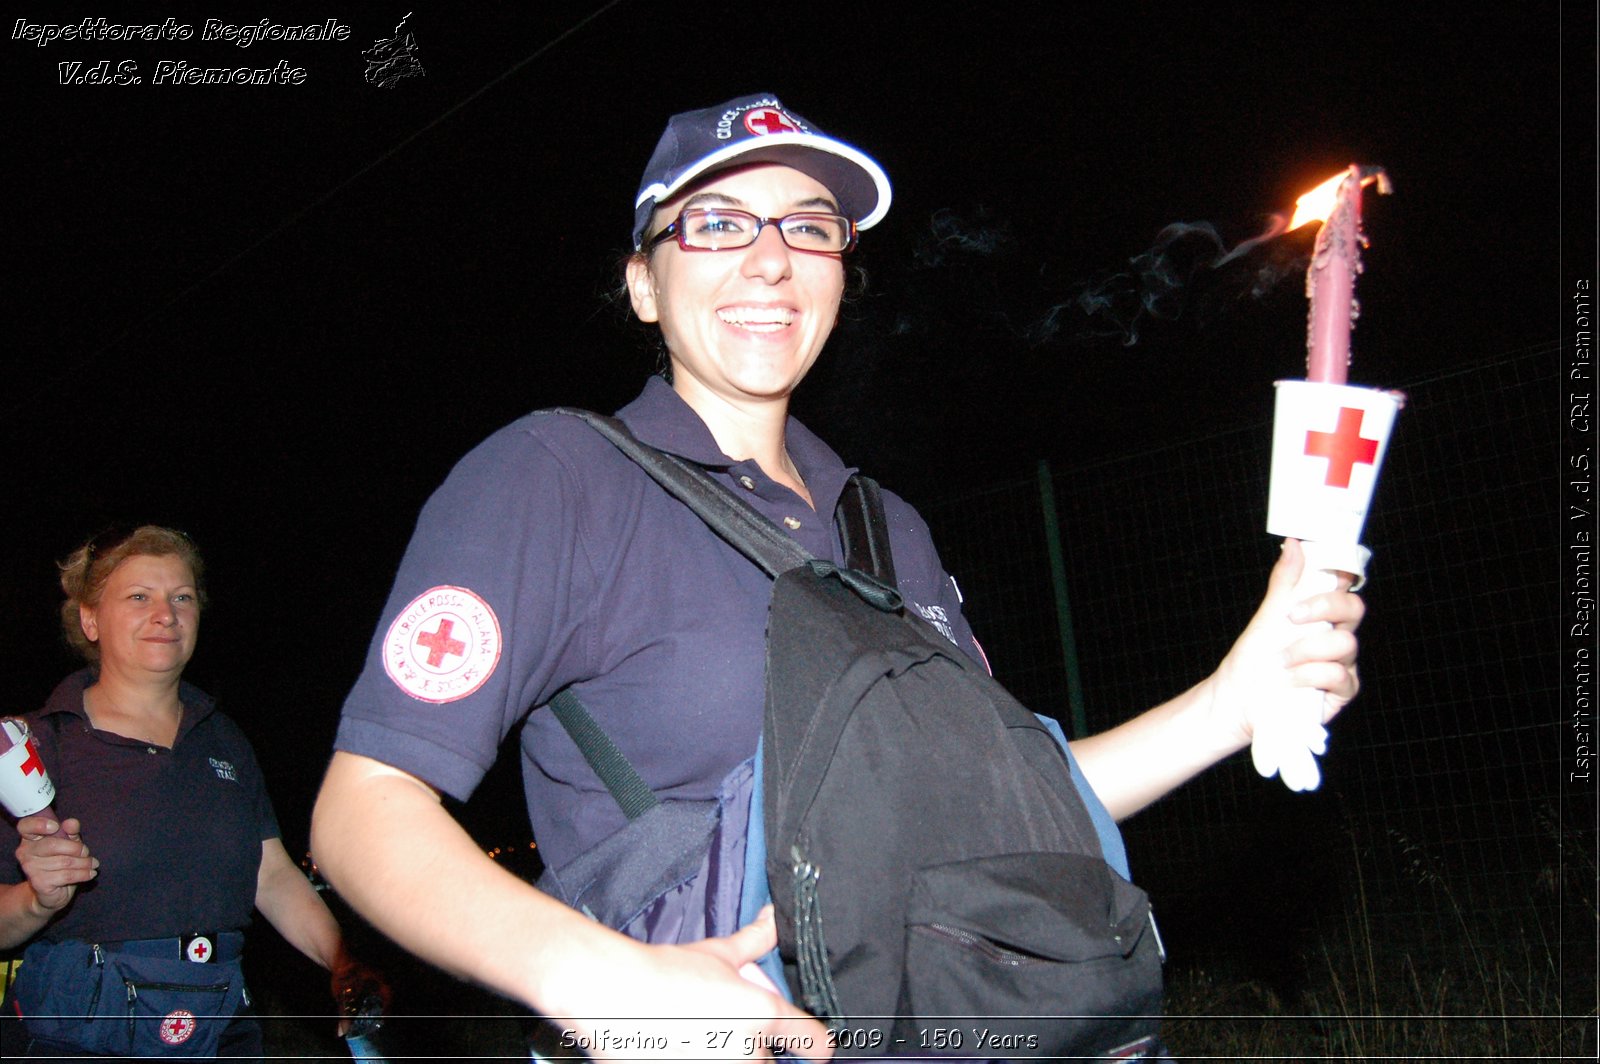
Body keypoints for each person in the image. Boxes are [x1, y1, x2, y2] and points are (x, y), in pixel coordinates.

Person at [310, 93, 1363, 1061]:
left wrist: (1234, 700)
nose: (770, 259)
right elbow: (364, 811)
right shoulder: (556, 476)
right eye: (718, 222)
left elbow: (1002, 813)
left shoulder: (883, 523)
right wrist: (600, 980)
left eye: (807, 225)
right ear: (642, 281)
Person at [0, 526, 385, 1058]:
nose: (166, 613)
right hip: (82, 1035)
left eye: (181, 597)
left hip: (219, 1027)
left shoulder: (223, 738)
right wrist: (35, 899)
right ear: (90, 619)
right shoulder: (30, 748)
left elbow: (270, 874)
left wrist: (342, 960)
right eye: (140, 597)